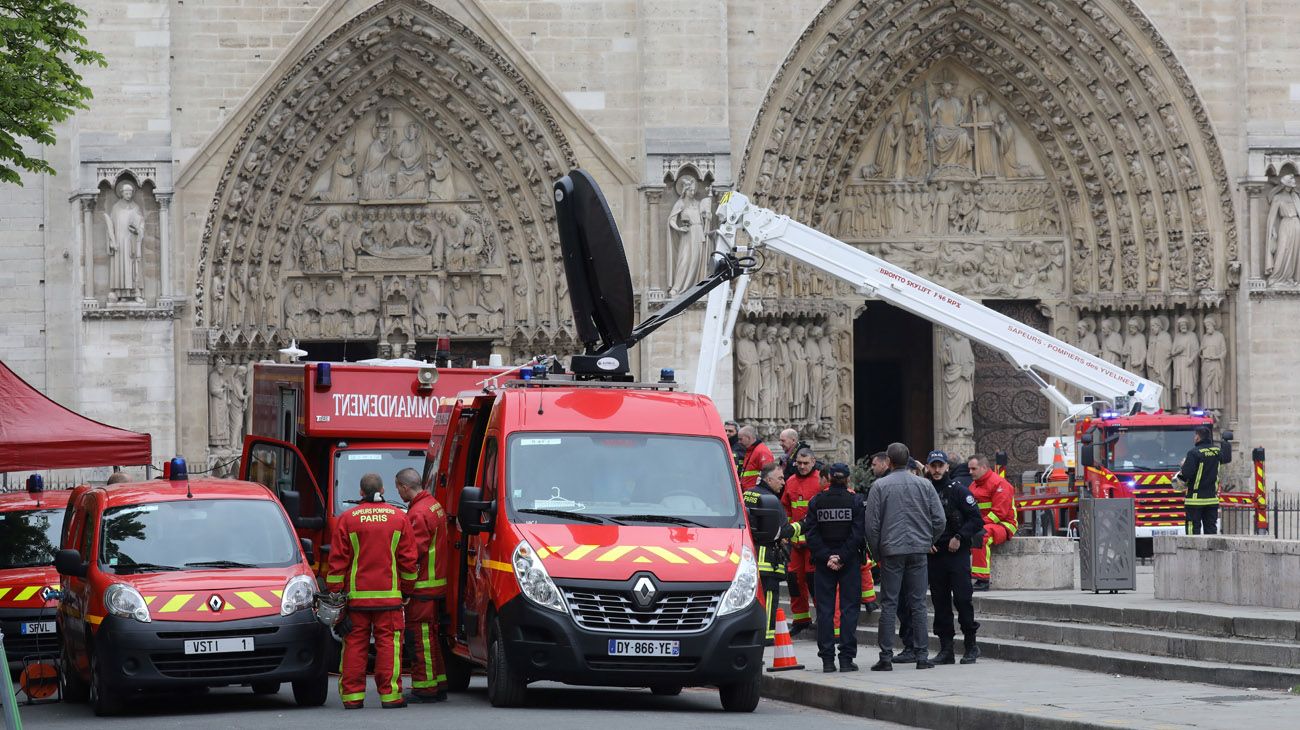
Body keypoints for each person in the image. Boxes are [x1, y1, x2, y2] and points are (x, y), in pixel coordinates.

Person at [327, 473, 419, 709]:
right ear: (383, 490)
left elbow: (337, 563)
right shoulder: (399, 518)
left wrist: (336, 598)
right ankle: (390, 696)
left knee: (355, 646)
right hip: (389, 599)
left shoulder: (347, 519)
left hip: (356, 601)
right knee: (389, 645)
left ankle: (352, 698)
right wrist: (406, 592)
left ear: (360, 492)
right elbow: (409, 561)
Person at [864, 443, 945, 671]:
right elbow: (939, 519)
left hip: (891, 551)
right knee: (918, 603)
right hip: (918, 550)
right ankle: (922, 656)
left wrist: (876, 551)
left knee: (889, 603)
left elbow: (871, 526)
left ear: (889, 461)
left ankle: (886, 657)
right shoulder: (924, 485)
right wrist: (928, 541)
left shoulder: (879, 486)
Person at [803, 463, 865, 673]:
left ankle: (827, 660)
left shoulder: (817, 501)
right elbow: (857, 534)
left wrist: (827, 556)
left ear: (829, 478)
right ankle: (846, 659)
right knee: (848, 610)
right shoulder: (855, 501)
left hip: (823, 563)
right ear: (847, 479)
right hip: (848, 563)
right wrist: (842, 557)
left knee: (825, 611)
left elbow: (810, 533)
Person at [394, 468, 450, 703]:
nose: (398, 492)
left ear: (405, 487)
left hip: (423, 587)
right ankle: (438, 681)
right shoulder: (432, 504)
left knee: (420, 636)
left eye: (398, 488)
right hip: (434, 583)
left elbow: (412, 553)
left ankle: (425, 688)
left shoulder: (417, 513)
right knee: (430, 635)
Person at [924, 450, 984, 665]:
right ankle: (946, 649)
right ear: (928, 467)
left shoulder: (958, 490)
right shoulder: (925, 490)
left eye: (940, 465)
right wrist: (925, 541)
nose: (937, 470)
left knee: (962, 599)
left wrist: (959, 537)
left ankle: (971, 646)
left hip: (956, 553)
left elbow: (976, 520)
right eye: (934, 466)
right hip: (935, 554)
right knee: (940, 603)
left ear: (947, 467)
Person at [745, 462, 802, 644]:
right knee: (770, 597)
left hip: (748, 556)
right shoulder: (771, 500)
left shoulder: (748, 494)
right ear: (768, 479)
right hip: (767, 559)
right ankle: (768, 637)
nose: (783, 482)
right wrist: (804, 525)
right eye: (779, 478)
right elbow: (783, 531)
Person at [781, 448, 822, 636]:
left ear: (813, 462)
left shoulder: (821, 480)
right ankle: (801, 619)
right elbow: (786, 509)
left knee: (815, 582)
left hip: (815, 542)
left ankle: (822, 617)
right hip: (796, 543)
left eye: (806, 463)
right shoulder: (790, 481)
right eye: (799, 463)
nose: (802, 466)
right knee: (794, 581)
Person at [968, 454, 1018, 591]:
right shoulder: (973, 486)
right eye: (969, 469)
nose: (970, 472)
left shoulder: (1000, 484)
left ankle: (982, 579)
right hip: (983, 523)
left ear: (984, 467)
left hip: (1004, 524)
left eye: (973, 469)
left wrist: (975, 525)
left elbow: (998, 514)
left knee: (980, 535)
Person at [1176, 426, 1233, 535]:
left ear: (1198, 437)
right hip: (1212, 499)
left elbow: (1186, 474)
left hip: (1195, 500)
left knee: (1193, 528)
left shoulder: (1193, 453)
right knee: (1211, 528)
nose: (1194, 437)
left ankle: (1191, 551)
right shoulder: (1216, 451)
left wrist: (1183, 465)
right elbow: (1227, 458)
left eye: (1195, 435)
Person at [737, 425, 775, 489]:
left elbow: (769, 476)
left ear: (749, 438)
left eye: (741, 439)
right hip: (750, 493)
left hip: (755, 493)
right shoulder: (751, 450)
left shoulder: (762, 452)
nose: (739, 442)